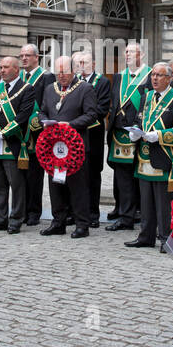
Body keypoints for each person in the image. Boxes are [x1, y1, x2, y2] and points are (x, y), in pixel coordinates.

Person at [124, 62, 173, 252]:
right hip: (144, 157)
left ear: (169, 79)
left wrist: (159, 136)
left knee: (164, 204)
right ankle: (146, 236)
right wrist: (135, 131)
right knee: (145, 201)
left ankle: (166, 239)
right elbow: (139, 118)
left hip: (164, 156)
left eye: (159, 75)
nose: (154, 78)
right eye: (153, 74)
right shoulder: (146, 97)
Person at [32, 56, 99, 238]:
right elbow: (42, 110)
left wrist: (70, 125)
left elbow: (91, 115)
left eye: (65, 71)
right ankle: (58, 222)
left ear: (74, 70)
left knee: (78, 187)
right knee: (56, 186)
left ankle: (81, 224)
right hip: (54, 148)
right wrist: (43, 121)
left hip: (75, 147)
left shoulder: (85, 88)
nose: (61, 75)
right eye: (58, 71)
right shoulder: (49, 89)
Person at [0, 56, 36, 235]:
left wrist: (2, 133)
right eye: (1, 67)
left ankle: (16, 219)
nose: (1, 70)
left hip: (14, 144)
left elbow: (23, 116)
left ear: (16, 70)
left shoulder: (27, 89)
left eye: (6, 67)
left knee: (17, 185)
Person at [107, 42, 151, 231]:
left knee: (140, 176)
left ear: (141, 55)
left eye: (131, 52)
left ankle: (143, 213)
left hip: (140, 133)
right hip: (119, 133)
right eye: (125, 52)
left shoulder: (150, 75)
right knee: (123, 177)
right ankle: (126, 216)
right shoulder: (118, 76)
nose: (127, 55)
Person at [18, 44, 53, 226]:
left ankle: (33, 211)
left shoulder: (46, 77)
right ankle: (20, 209)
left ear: (36, 57)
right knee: (19, 175)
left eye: (27, 55)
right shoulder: (20, 77)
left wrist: (35, 120)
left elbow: (48, 102)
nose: (24, 58)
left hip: (36, 132)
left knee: (34, 175)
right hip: (18, 131)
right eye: (21, 55)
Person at [74, 52, 111, 228]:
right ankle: (75, 212)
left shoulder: (102, 82)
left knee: (92, 175)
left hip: (93, 135)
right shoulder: (73, 82)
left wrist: (80, 121)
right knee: (74, 174)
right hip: (73, 136)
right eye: (79, 62)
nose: (81, 65)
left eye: (85, 62)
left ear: (93, 64)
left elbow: (102, 108)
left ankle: (93, 214)